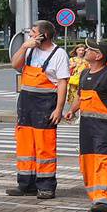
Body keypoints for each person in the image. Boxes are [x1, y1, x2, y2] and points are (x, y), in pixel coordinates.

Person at [62, 38, 107, 212]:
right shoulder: (84, 74)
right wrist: (72, 110)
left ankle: (105, 201)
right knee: (87, 163)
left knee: (103, 162)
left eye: (89, 49)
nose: (85, 51)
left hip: (105, 129)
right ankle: (96, 199)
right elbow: (81, 96)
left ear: (98, 56)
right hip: (87, 129)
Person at [7, 20, 68, 199]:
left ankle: (46, 186)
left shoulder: (59, 54)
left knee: (45, 147)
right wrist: (24, 46)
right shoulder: (30, 50)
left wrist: (59, 109)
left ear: (44, 35)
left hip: (45, 105)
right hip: (26, 104)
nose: (31, 35)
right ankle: (25, 184)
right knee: (25, 146)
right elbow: (15, 65)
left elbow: (63, 83)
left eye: (34, 32)